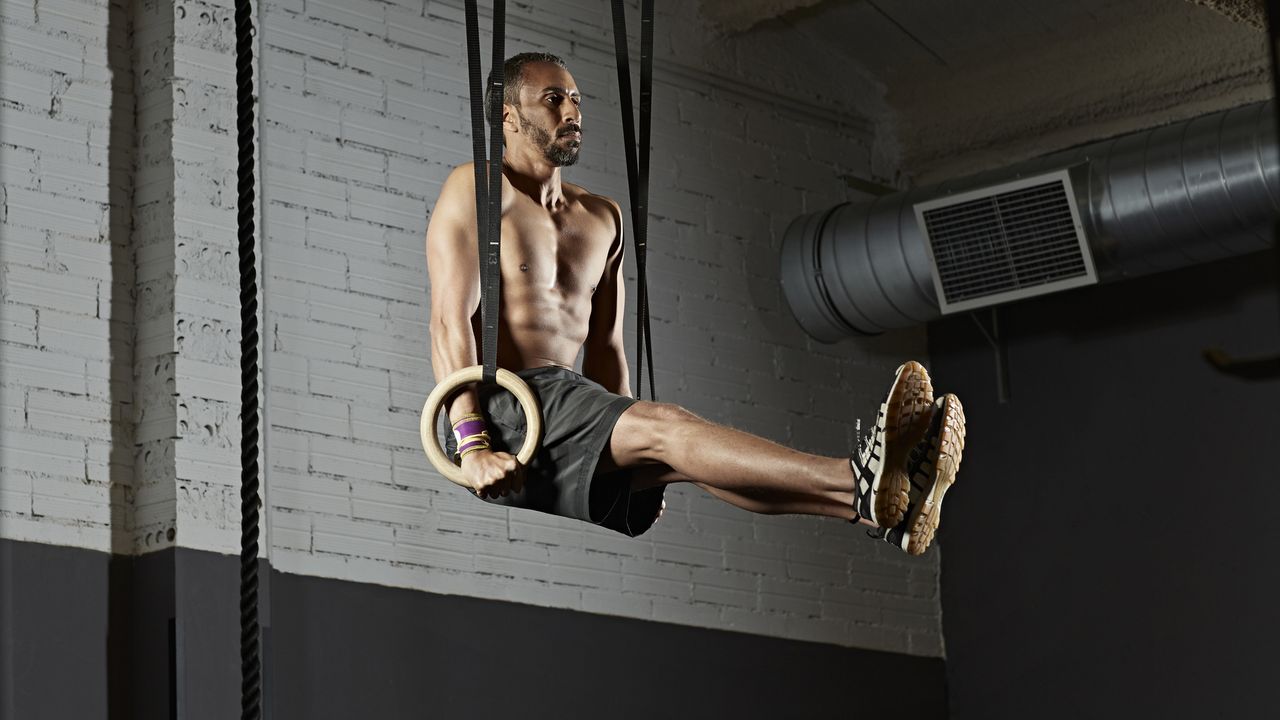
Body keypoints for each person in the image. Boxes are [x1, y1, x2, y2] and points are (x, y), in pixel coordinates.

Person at [426, 52, 965, 555]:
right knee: (670, 425)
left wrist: (630, 440)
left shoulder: (601, 218)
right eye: (552, 100)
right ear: (507, 115)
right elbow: (450, 323)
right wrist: (472, 445)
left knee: (679, 454)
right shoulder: (476, 188)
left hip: (570, 407)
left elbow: (608, 349)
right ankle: (856, 478)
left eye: (576, 100)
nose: (571, 112)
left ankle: (876, 514)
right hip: (506, 414)